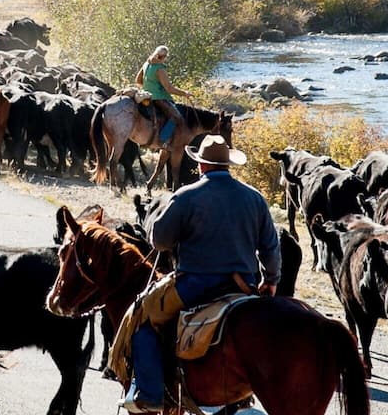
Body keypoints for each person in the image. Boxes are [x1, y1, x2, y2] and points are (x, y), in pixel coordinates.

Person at [118, 135, 281, 413]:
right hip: (243, 285)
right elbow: (271, 245)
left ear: (201, 165)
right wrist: (271, 280)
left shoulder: (187, 195)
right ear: (228, 165)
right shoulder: (254, 197)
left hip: (195, 283)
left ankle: (150, 392)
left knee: (143, 317)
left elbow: (159, 241)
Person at [134, 46, 192, 147]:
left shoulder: (146, 64)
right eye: (164, 57)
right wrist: (185, 93)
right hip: (159, 98)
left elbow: (138, 80)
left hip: (146, 96)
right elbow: (169, 88)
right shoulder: (160, 69)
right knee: (177, 117)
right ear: (164, 57)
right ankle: (163, 141)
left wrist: (148, 86)